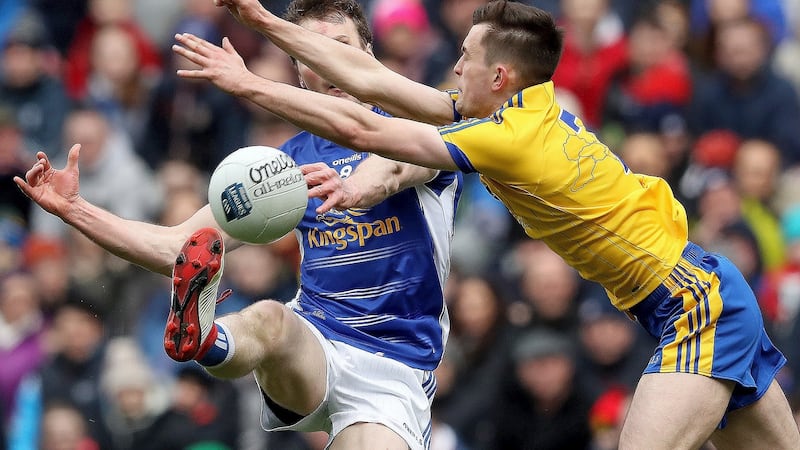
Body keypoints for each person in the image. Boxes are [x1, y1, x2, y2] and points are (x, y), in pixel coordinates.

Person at [176, 0, 800, 447]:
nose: (454, 69)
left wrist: (249, 84)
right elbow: (370, 80)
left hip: (696, 308)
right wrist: (263, 22)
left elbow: (362, 125)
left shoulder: (509, 140)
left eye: (466, 57)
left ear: (498, 75)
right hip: (701, 291)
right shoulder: (515, 113)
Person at [15, 1, 462, 449]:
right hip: (316, 342)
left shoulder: (419, 126)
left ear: (368, 53)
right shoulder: (283, 165)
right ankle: (203, 336)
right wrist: (75, 210)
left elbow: (392, 170)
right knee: (270, 319)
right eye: (312, 54)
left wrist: (352, 189)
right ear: (299, 70)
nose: (329, 66)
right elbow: (178, 246)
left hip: (395, 362)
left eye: (340, 48)